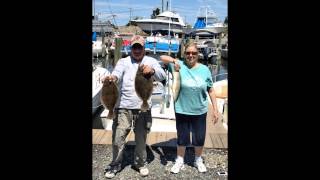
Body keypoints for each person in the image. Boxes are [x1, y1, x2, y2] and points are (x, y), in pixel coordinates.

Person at [102, 35, 166, 178]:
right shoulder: (124, 61)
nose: (137, 50)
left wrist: (153, 71)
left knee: (141, 139)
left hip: (143, 107)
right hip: (123, 106)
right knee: (118, 137)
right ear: (131, 48)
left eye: (139, 47)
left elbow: (162, 75)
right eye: (134, 47)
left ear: (144, 48)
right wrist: (111, 78)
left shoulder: (151, 61)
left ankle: (140, 163)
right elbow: (116, 74)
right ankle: (115, 164)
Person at [160, 42, 220, 174]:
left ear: (198, 54)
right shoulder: (178, 66)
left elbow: (210, 90)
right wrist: (175, 60)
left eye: (193, 53)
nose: (190, 55)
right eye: (188, 53)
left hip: (199, 109)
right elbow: (162, 57)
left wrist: (215, 109)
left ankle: (198, 159)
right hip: (181, 108)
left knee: (199, 137)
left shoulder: (205, 69)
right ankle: (180, 159)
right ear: (184, 54)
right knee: (182, 137)